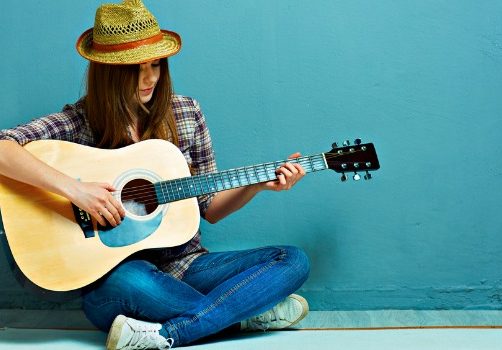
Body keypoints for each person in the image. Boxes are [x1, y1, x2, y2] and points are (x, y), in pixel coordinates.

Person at [0, 1, 310, 349]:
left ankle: (168, 333)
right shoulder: (79, 120)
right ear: (108, 72)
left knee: (293, 260)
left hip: (188, 267)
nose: (149, 79)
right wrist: (76, 190)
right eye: (136, 69)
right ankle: (241, 313)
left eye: (156, 65)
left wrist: (256, 185)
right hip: (118, 279)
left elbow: (210, 209)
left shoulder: (186, 113)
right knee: (133, 280)